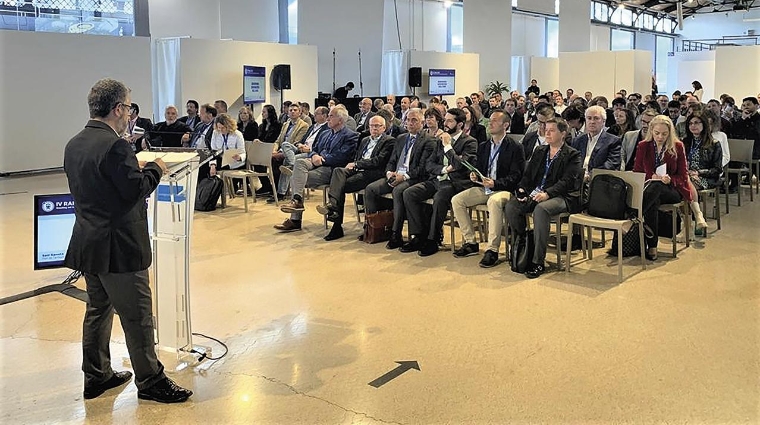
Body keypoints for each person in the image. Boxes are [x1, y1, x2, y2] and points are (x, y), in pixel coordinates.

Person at [64, 78, 192, 403]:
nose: (128, 115)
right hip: (118, 247)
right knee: (137, 316)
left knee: (98, 310)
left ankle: (97, 376)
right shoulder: (115, 145)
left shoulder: (75, 143)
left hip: (88, 242)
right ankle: (151, 381)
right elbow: (134, 190)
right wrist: (155, 170)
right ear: (119, 108)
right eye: (128, 108)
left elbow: (103, 188)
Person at [504, 118, 582, 279]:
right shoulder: (540, 150)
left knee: (541, 210)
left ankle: (538, 261)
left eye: (552, 130)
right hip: (537, 193)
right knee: (512, 206)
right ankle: (524, 245)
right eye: (546, 129)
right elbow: (528, 176)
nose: (547, 133)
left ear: (563, 134)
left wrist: (547, 193)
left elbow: (567, 182)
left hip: (562, 196)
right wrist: (522, 190)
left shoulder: (573, 155)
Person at [450, 109, 525, 267]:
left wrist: (495, 183)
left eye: (495, 121)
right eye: (490, 120)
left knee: (494, 202)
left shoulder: (515, 147)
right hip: (484, 187)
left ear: (505, 125)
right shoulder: (484, 146)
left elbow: (516, 176)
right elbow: (478, 167)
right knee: (457, 200)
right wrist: (474, 175)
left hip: (504, 189)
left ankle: (492, 249)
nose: (490, 123)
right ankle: (470, 242)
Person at [402, 108, 478, 257]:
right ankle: (418, 235)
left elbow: (460, 166)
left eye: (450, 121)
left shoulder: (470, 142)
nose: (445, 123)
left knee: (440, 197)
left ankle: (433, 239)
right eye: (445, 120)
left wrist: (449, 147)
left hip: (455, 183)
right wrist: (444, 169)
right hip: (438, 178)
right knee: (409, 193)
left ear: (460, 124)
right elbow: (429, 165)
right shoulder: (439, 141)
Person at [275, 107, 359, 232]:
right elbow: (313, 148)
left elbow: (343, 157)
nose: (328, 118)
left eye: (331, 116)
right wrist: (314, 155)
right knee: (299, 163)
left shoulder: (350, 136)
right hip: (317, 163)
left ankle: (295, 220)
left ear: (340, 120)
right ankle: (296, 201)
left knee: (296, 177)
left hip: (333, 169)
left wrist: (322, 159)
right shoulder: (325, 133)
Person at [317, 115, 395, 240]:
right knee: (338, 171)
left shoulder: (389, 141)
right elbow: (357, 157)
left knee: (339, 186)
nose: (374, 128)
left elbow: (379, 161)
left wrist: (357, 164)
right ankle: (333, 206)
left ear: (384, 127)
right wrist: (355, 165)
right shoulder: (364, 140)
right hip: (358, 169)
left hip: (373, 173)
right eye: (371, 126)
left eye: (377, 126)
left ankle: (336, 223)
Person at [364, 109, 434, 249]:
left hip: (414, 177)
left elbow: (423, 168)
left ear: (422, 122)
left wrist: (404, 176)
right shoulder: (401, 138)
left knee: (398, 191)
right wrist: (389, 173)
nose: (409, 123)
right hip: (396, 174)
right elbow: (392, 160)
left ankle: (396, 233)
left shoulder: (429, 140)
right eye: (407, 119)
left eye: (414, 120)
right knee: (371, 189)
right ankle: (373, 228)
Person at [633, 115, 692, 261]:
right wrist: (651, 177)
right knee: (653, 200)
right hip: (651, 189)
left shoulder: (678, 146)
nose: (660, 137)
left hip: (672, 189)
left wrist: (670, 179)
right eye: (657, 133)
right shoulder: (643, 146)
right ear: (651, 131)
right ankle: (652, 246)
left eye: (664, 134)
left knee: (657, 187)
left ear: (670, 133)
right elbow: (637, 171)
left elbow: (683, 175)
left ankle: (632, 215)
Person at [683, 110, 722, 231]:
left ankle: (688, 227)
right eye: (690, 123)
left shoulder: (714, 144)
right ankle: (694, 220)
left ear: (704, 124)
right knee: (683, 186)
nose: (693, 126)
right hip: (687, 176)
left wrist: (699, 173)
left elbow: (717, 169)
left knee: (684, 188)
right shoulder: (685, 142)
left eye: (696, 123)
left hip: (707, 178)